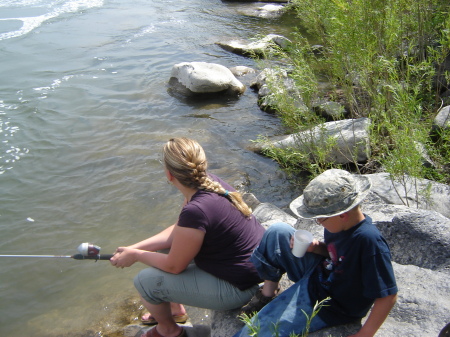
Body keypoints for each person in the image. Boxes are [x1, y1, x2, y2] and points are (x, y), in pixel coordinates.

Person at [110, 137, 265, 337]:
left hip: (240, 287)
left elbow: (175, 266)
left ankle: (169, 330)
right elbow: (180, 231)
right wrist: (134, 248)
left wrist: (137, 256)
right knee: (158, 251)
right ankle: (175, 309)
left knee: (144, 282)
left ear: (169, 174)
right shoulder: (209, 183)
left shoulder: (196, 209)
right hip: (251, 268)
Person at [234, 169, 398, 337]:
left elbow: (388, 296)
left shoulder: (369, 242)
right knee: (278, 231)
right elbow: (337, 254)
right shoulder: (341, 225)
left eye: (321, 218)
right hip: (321, 274)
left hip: (331, 304)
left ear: (342, 215)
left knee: (254, 332)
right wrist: (316, 247)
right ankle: (268, 293)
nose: (318, 222)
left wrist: (365, 334)